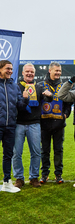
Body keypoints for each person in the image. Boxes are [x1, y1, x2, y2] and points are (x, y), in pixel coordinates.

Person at [12, 63, 53, 189]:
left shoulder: (39, 87)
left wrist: (50, 96)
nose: (30, 74)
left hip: (34, 123)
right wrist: (24, 99)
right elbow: (17, 105)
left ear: (34, 74)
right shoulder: (16, 87)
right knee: (16, 153)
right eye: (27, 71)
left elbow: (47, 101)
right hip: (18, 123)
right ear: (23, 73)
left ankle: (34, 177)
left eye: (32, 72)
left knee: (36, 152)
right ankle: (19, 178)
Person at [39, 62, 71, 184]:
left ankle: (58, 174)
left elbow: (68, 103)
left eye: (59, 71)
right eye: (56, 70)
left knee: (58, 150)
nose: (58, 73)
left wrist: (66, 114)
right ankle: (44, 174)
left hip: (59, 124)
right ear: (50, 71)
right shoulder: (41, 85)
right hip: (45, 124)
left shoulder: (63, 86)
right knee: (45, 150)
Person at [0, 60, 29, 193]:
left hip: (11, 126)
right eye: (7, 68)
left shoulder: (14, 86)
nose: (10, 71)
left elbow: (21, 107)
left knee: (8, 155)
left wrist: (25, 99)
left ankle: (6, 182)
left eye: (11, 69)